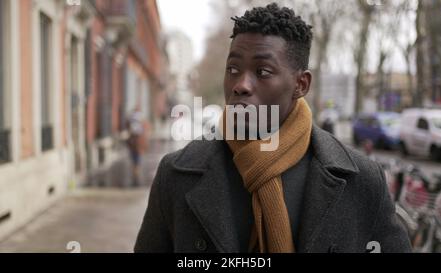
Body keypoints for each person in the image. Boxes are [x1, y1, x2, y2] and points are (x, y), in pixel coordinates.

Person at [134, 3, 411, 253]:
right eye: (233, 69)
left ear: (301, 85)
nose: (240, 85)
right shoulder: (177, 175)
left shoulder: (361, 181)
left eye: (262, 72)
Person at [126, 106, 148, 187]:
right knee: (138, 156)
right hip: (139, 141)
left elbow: (128, 128)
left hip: (132, 141)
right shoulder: (142, 119)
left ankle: (135, 169)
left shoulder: (130, 119)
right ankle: (136, 170)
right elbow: (146, 130)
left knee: (134, 156)